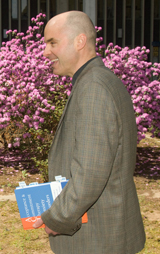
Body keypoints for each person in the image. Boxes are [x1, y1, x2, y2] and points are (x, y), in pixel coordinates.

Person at [32, 11, 146, 253]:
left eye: (52, 42)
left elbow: (90, 174)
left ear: (80, 41)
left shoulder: (93, 87)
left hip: (97, 238)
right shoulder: (96, 81)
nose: (45, 52)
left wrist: (58, 217)